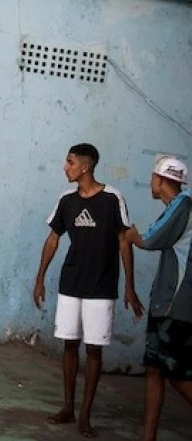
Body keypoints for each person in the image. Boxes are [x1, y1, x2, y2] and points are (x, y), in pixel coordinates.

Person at [33, 143, 143, 438]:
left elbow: (124, 241)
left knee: (94, 349)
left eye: (69, 162)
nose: (64, 167)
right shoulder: (66, 201)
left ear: (85, 167)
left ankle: (85, 415)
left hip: (102, 286)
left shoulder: (112, 199)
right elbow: (53, 238)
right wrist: (40, 277)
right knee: (69, 344)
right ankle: (68, 407)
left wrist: (129, 287)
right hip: (71, 283)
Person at [122, 156, 192, 441]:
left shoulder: (183, 204)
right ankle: (147, 436)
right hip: (164, 303)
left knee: (175, 372)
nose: (150, 182)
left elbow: (149, 240)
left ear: (161, 180)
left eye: (153, 177)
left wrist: (130, 234)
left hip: (177, 306)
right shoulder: (176, 207)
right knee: (154, 369)